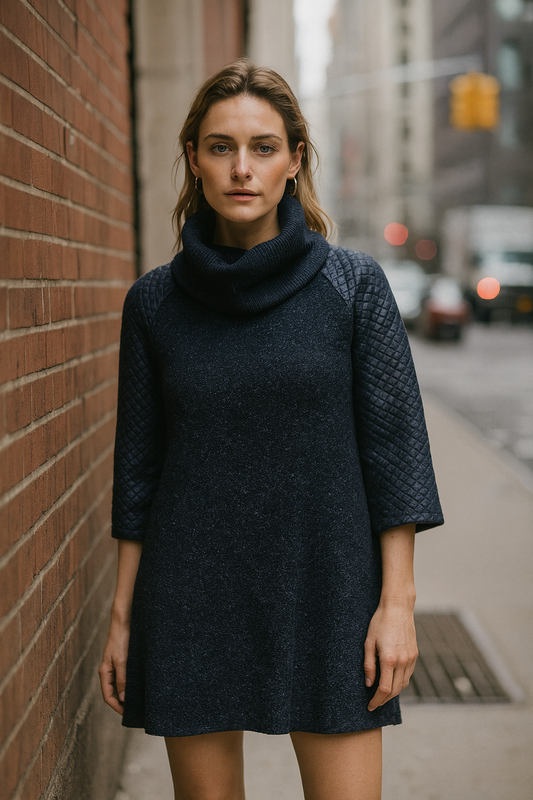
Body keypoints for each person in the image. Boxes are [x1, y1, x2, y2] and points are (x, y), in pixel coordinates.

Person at [99, 59, 443, 800]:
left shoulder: (352, 288)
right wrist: (123, 620)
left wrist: (396, 606)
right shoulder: (153, 304)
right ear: (193, 157)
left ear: (294, 160)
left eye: (262, 146)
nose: (241, 167)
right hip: (190, 591)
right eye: (221, 147)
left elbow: (395, 454)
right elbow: (138, 471)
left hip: (329, 588)